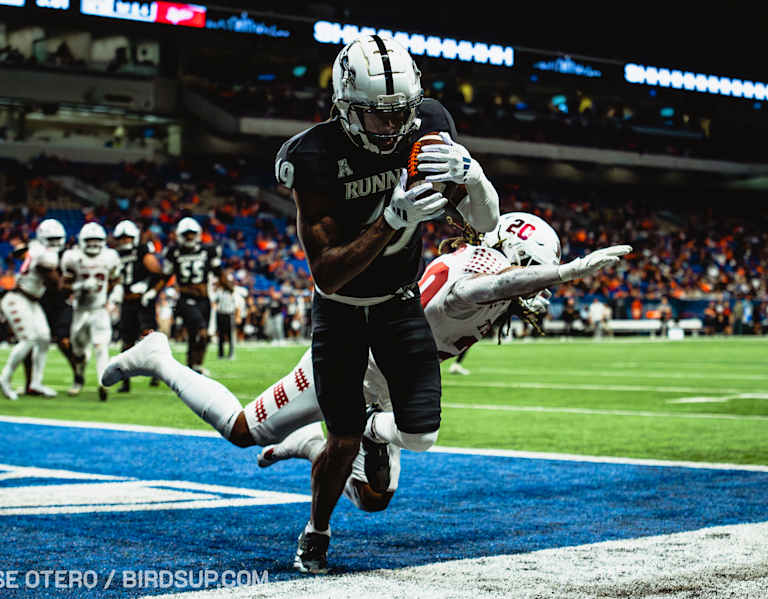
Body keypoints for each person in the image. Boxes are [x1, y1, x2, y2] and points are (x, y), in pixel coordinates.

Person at [99, 212, 630, 568]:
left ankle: (312, 443)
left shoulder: (501, 273)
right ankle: (159, 359)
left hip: (391, 383)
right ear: (516, 255)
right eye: (535, 272)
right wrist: (564, 273)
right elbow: (486, 287)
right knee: (243, 430)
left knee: (375, 499)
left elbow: (492, 297)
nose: (537, 285)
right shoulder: (480, 271)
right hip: (351, 361)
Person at [274, 33, 501, 573]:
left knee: (421, 435)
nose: (395, 125)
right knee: (341, 440)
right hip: (342, 311)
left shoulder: (431, 123)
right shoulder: (313, 156)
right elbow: (327, 272)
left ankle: (381, 432)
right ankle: (317, 528)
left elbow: (488, 225)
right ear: (346, 108)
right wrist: (392, 220)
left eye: (402, 111)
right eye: (379, 116)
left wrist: (475, 176)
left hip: (400, 302)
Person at [0, 219, 64, 399]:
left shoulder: (36, 248)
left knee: (44, 338)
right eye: (51, 239)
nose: (54, 242)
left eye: (56, 238)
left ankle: (36, 383)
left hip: (31, 300)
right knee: (28, 339)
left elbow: (20, 254)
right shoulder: (44, 255)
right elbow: (55, 284)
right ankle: (5, 378)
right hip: (17, 299)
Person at [60, 222, 122, 400]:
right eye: (90, 240)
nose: (94, 244)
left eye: (97, 240)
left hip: (99, 309)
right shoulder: (72, 256)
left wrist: (114, 298)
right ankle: (78, 379)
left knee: (101, 346)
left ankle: (103, 383)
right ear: (82, 241)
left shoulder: (110, 256)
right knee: (78, 351)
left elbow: (117, 280)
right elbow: (64, 286)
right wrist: (79, 286)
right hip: (79, 310)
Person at [162, 217, 226, 375]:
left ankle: (194, 367)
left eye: (192, 234)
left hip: (204, 299)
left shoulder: (208, 250)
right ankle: (193, 367)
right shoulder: (173, 252)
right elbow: (166, 275)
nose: (190, 237)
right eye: (186, 234)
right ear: (179, 235)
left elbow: (218, 272)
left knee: (195, 336)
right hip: (185, 299)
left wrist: (231, 287)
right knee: (201, 331)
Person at [112, 219, 164, 392]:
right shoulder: (116, 255)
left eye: (128, 237)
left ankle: (158, 372)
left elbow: (158, 273)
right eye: (122, 238)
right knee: (126, 341)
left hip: (142, 302)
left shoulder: (142, 251)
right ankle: (125, 380)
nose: (125, 241)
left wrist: (150, 291)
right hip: (127, 302)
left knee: (148, 338)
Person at [212, 274, 237, 359]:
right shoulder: (220, 291)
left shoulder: (233, 292)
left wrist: (237, 316)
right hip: (220, 314)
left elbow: (237, 305)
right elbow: (214, 302)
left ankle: (231, 353)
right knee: (221, 335)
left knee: (230, 335)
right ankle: (221, 354)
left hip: (229, 314)